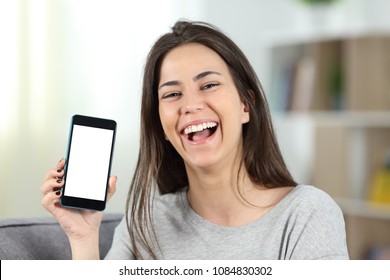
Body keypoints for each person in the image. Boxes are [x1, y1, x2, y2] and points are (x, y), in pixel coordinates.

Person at [41, 20, 349, 260]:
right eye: (172, 94)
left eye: (209, 85)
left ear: (245, 106)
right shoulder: (145, 221)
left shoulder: (307, 213)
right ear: (161, 125)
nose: (190, 105)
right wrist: (83, 238)